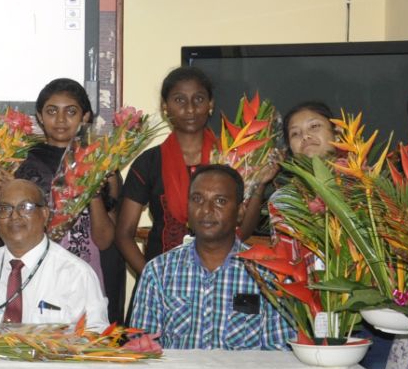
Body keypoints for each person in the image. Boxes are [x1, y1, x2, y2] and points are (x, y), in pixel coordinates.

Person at [128, 165, 289, 351]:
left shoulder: (268, 275)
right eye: (197, 199)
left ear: (240, 211)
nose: (206, 210)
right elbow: (143, 351)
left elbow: (279, 354)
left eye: (220, 201)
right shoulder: (159, 272)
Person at [0, 178, 108, 333]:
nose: (14, 216)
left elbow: (95, 337)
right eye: (4, 209)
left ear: (45, 214)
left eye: (25, 207)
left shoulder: (75, 274)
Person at [116, 67, 218, 276]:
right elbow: (123, 234)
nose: (190, 109)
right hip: (162, 276)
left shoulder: (229, 158)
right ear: (165, 107)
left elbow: (243, 228)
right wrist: (152, 280)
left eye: (199, 99)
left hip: (220, 278)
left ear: (210, 104)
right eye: (179, 100)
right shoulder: (149, 163)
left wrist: (260, 185)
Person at [18, 79, 116, 285]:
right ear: (40, 116)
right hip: (35, 272)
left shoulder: (102, 164)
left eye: (71, 111)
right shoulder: (21, 162)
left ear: (85, 117)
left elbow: (105, 241)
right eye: (52, 111)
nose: (61, 119)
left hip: (85, 274)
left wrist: (93, 192)